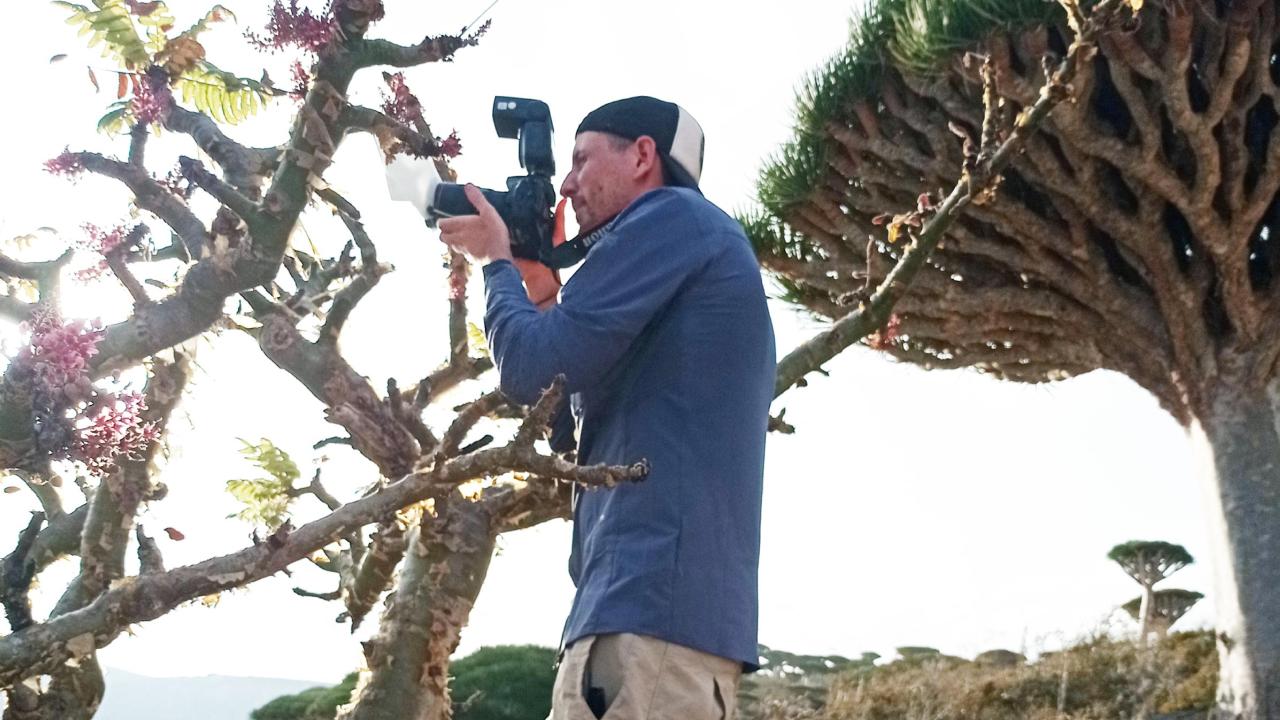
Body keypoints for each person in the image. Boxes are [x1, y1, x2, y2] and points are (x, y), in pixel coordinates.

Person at [439, 96, 776, 720]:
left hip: (647, 619)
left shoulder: (672, 219)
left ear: (643, 155)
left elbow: (528, 369)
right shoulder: (688, 251)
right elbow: (563, 427)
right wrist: (539, 291)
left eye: (581, 159)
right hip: (647, 620)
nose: (565, 186)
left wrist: (495, 262)